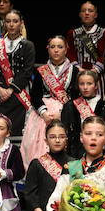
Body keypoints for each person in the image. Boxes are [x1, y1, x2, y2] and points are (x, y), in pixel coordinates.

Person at [22, 36, 78, 165]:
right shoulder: (41, 71)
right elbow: (35, 95)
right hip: (43, 114)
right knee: (36, 145)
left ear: (66, 49)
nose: (56, 50)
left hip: (66, 111)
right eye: (52, 47)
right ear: (48, 50)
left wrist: (63, 114)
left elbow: (76, 96)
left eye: (60, 47)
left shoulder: (74, 71)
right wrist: (44, 113)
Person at [0, 10, 35, 137]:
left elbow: (27, 71)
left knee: (17, 133)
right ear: (4, 24)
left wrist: (11, 90)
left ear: (21, 24)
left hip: (19, 95)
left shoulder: (28, 45)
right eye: (8, 21)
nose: (11, 24)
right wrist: (0, 88)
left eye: (15, 21)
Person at [60, 69, 105, 159]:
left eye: (89, 84)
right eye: (82, 84)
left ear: (96, 85)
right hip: (74, 156)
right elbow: (64, 133)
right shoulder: (69, 106)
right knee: (75, 174)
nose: (85, 87)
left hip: (100, 157)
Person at [66, 1, 105, 98]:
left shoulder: (104, 33)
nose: (87, 13)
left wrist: (94, 70)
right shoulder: (73, 33)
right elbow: (70, 54)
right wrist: (79, 69)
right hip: (78, 75)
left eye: (90, 11)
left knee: (98, 106)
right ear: (80, 14)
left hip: (98, 77)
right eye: (83, 11)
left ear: (95, 14)